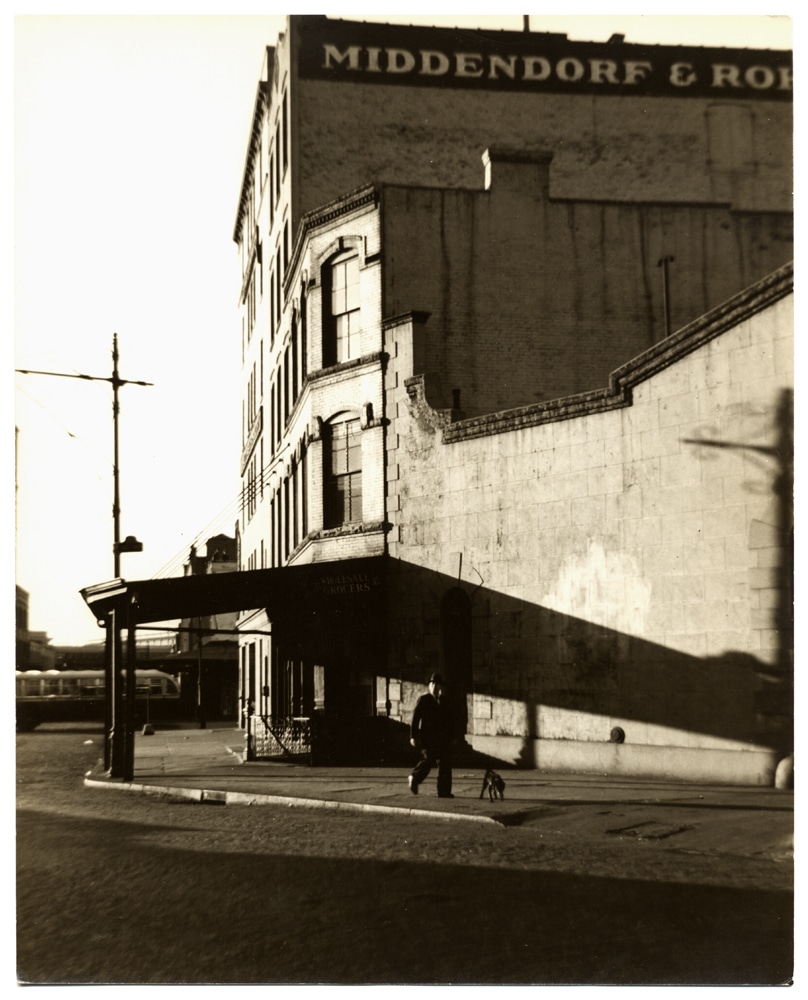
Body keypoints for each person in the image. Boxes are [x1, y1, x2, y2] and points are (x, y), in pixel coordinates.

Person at [408, 672, 454, 798]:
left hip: (441, 739)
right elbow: (415, 719)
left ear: (440, 687)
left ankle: (444, 791)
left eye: (437, 684)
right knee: (428, 760)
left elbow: (448, 721)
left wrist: (450, 736)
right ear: (429, 685)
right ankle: (414, 778)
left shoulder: (443, 701)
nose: (434, 686)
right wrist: (413, 736)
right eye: (432, 684)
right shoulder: (424, 700)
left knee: (445, 762)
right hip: (427, 739)